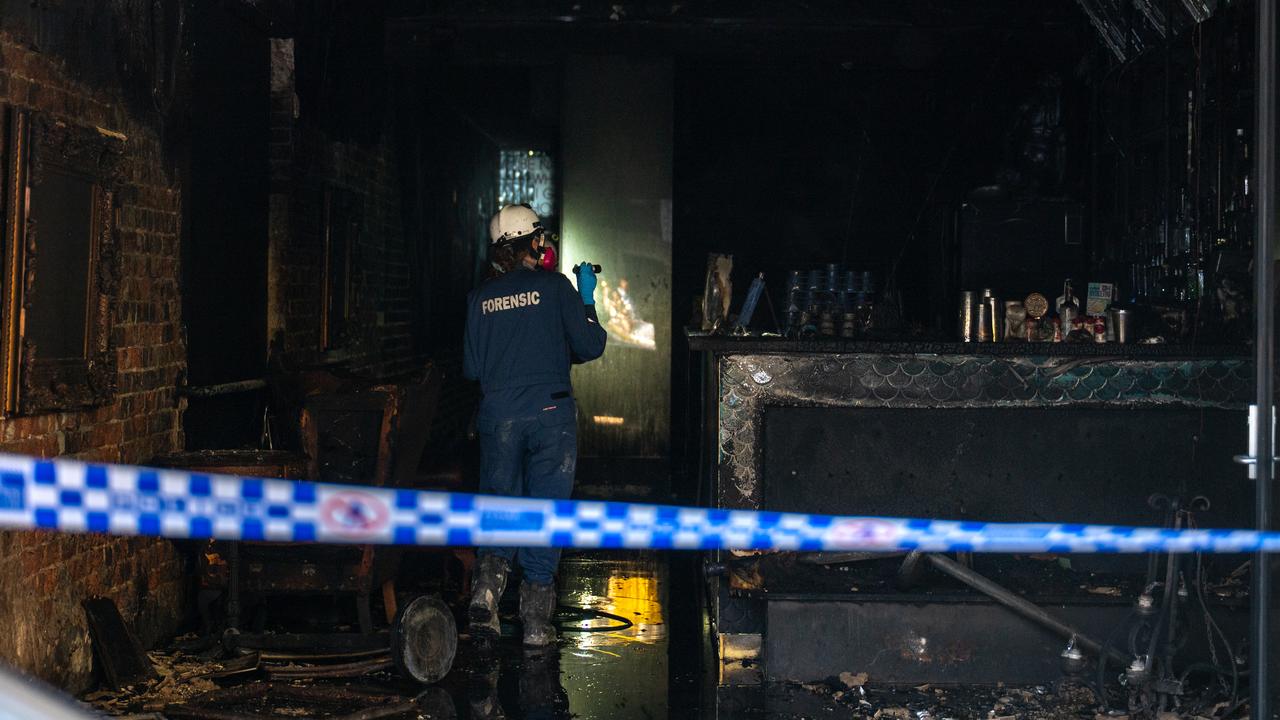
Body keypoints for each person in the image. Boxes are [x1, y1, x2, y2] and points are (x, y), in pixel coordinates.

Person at [463, 203, 606, 648]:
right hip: (551, 417)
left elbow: (472, 369)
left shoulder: (480, 298)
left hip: (499, 415)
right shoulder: (557, 286)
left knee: (500, 503)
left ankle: (487, 589)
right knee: (547, 510)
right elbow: (590, 344)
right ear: (535, 244)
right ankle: (537, 624)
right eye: (541, 239)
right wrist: (586, 297)